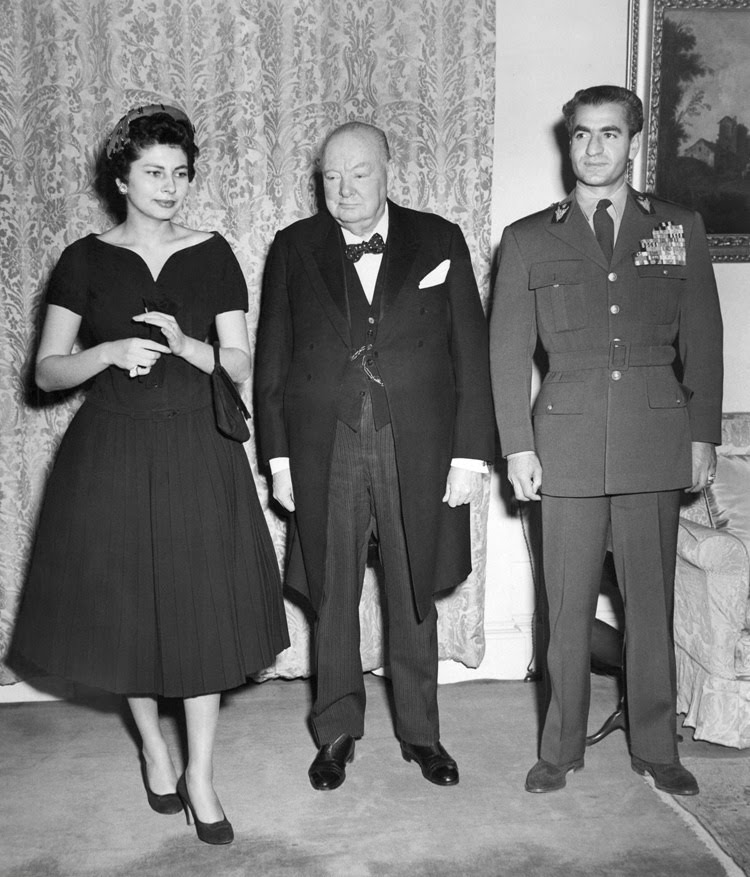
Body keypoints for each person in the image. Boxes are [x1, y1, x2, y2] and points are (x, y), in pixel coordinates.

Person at [11, 105, 289, 844]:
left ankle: (201, 774)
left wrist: (189, 346)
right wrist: (107, 353)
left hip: (197, 445)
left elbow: (240, 363)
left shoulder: (213, 253)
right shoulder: (84, 260)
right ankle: (155, 750)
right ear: (121, 179)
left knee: (200, 614)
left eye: (182, 173)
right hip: (112, 450)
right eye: (155, 172)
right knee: (127, 613)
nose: (171, 186)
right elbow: (46, 371)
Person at [490, 85, 723, 797]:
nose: (594, 148)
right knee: (565, 606)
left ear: (633, 142)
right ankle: (559, 749)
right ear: (569, 143)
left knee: (651, 603)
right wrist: (517, 446)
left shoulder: (676, 227)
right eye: (582, 134)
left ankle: (657, 746)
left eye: (609, 133)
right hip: (566, 441)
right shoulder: (529, 238)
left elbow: (704, 338)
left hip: (654, 437)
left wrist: (702, 436)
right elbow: (506, 352)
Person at [255, 121, 494, 791]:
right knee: (332, 589)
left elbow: (470, 353)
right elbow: (271, 358)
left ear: (389, 171)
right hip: (322, 443)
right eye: (331, 176)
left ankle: (421, 733)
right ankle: (335, 730)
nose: (344, 189)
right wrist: (278, 461)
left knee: (414, 588)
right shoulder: (293, 247)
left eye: (359, 174)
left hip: (415, 442)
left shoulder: (439, 238)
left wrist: (469, 456)